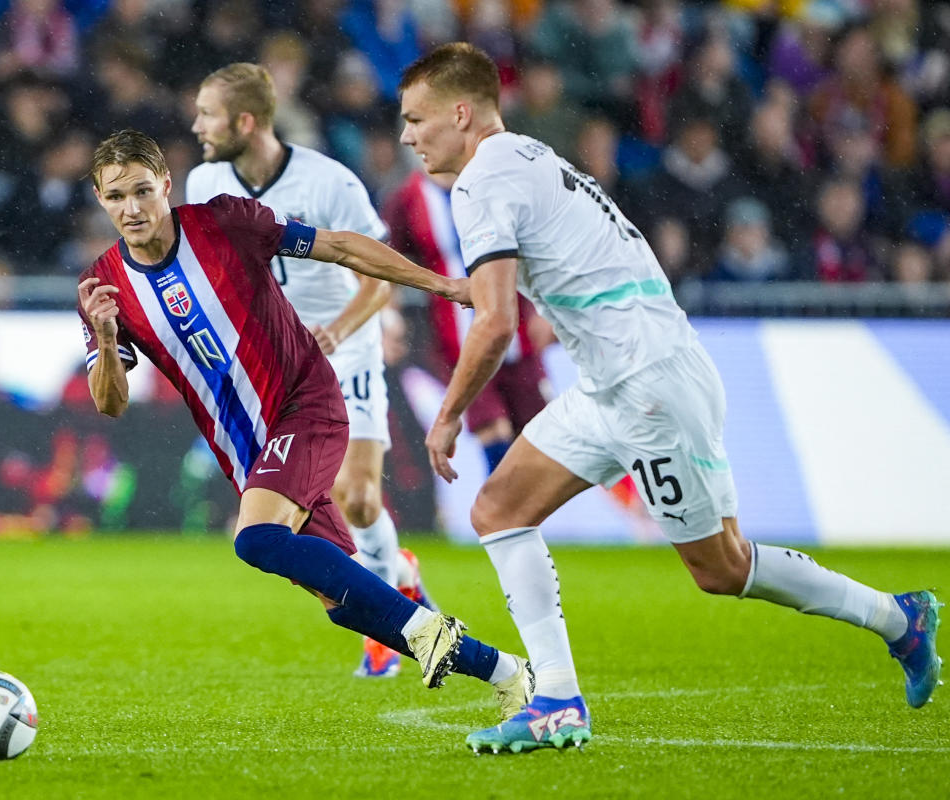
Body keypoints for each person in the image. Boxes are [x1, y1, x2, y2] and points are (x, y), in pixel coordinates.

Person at [396, 43, 942, 754]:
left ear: (460, 112)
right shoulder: (529, 157)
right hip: (619, 380)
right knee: (499, 509)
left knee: (721, 568)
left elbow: (497, 323)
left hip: (648, 386)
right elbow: (535, 281)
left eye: (417, 118)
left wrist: (448, 417)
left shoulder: (478, 183)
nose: (408, 135)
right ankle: (556, 699)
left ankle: (900, 621)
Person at [76, 128, 535, 721]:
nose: (131, 209)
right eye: (115, 197)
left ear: (166, 185)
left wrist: (445, 285)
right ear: (98, 199)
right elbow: (110, 403)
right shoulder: (103, 289)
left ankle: (430, 633)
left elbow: (342, 247)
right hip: (247, 455)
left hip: (306, 404)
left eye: (142, 190)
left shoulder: (226, 224)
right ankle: (507, 672)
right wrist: (108, 339)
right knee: (346, 602)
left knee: (256, 539)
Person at [185, 63, 435, 679]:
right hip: (275, 363)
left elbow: (378, 271)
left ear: (246, 121)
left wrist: (342, 330)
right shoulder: (204, 181)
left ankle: (389, 605)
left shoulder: (329, 181)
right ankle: (395, 584)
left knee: (357, 495)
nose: (197, 126)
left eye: (207, 115)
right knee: (309, 513)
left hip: (342, 345)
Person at [383, 167, 554, 475]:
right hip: (457, 344)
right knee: (493, 428)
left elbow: (544, 246)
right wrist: (389, 319)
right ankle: (501, 518)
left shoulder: (500, 180)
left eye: (417, 122)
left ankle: (513, 516)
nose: (412, 136)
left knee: (535, 441)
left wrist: (548, 307)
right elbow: (385, 261)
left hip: (520, 339)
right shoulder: (407, 199)